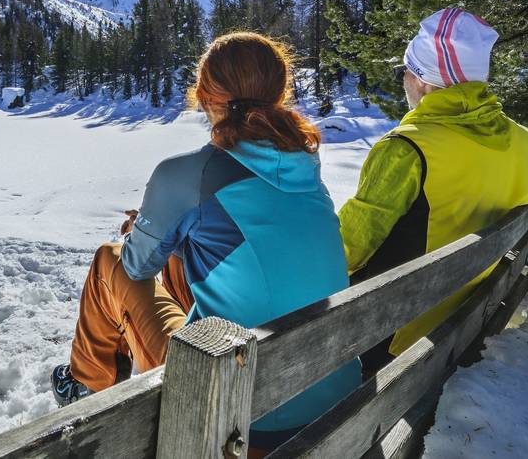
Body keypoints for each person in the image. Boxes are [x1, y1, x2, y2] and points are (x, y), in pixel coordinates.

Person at [50, 32, 360, 450]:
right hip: (330, 391)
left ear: (203, 95)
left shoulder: (189, 174)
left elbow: (137, 267)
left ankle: (85, 388)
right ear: (279, 93)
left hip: (239, 404)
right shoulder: (305, 167)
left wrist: (143, 229)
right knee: (183, 258)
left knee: (111, 260)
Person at [340, 8, 528, 374]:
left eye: (405, 71)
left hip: (398, 341)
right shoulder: (525, 144)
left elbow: (345, 254)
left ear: (422, 81)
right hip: (472, 318)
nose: (403, 80)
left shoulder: (406, 149)